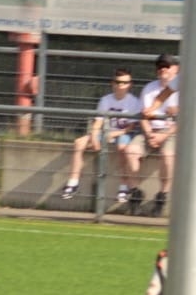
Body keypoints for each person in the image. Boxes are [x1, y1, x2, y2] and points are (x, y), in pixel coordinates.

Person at [59, 67, 143, 206]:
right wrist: (94, 137)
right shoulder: (105, 100)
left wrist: (113, 134)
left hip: (123, 134)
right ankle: (73, 182)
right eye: (118, 82)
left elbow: (131, 127)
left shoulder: (134, 102)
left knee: (122, 147)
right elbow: (97, 123)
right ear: (113, 83)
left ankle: (124, 187)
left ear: (130, 84)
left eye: (125, 82)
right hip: (105, 133)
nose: (121, 85)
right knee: (79, 143)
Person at [132, 52, 179, 216]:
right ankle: (135, 193)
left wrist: (163, 135)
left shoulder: (184, 85)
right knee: (131, 151)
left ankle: (162, 196)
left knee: (167, 155)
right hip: (150, 131)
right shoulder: (149, 88)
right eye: (159, 66)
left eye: (166, 66)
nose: (162, 69)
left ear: (176, 68)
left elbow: (185, 118)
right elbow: (144, 114)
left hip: (171, 132)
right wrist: (150, 134)